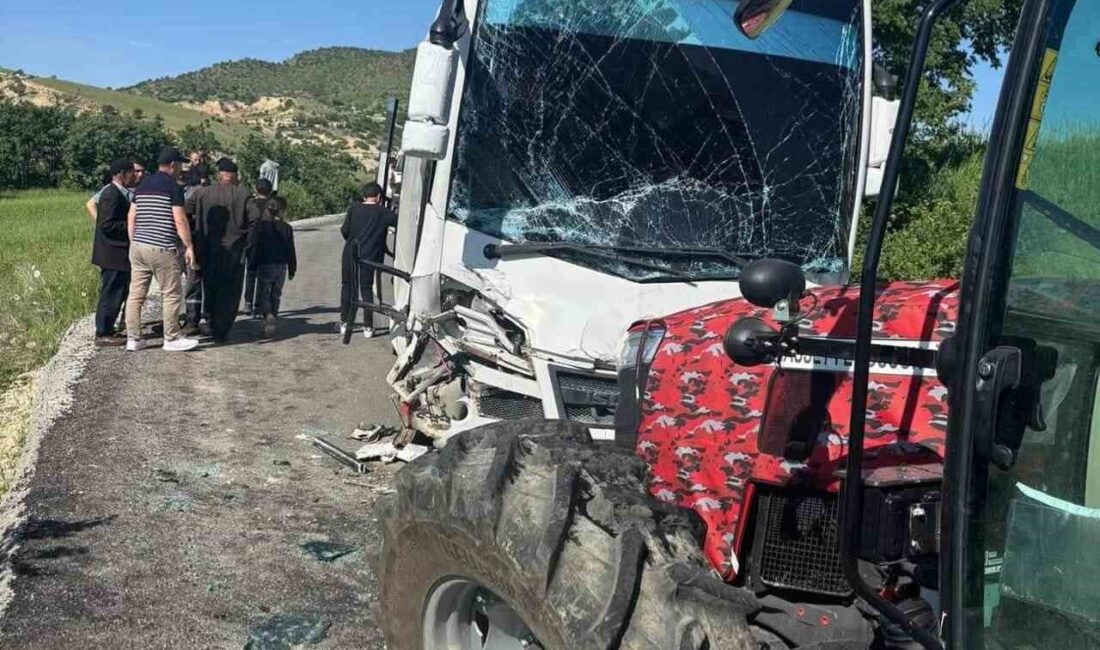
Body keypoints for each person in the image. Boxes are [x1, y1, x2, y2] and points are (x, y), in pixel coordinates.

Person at [125, 147, 200, 352]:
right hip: (161, 247)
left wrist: (134, 241)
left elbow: (132, 216)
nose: (181, 169)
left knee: (136, 294)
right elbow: (180, 220)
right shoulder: (173, 187)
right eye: (180, 165)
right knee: (171, 293)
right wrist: (189, 246)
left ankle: (133, 339)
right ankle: (172, 338)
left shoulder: (142, 185)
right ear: (173, 165)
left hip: (138, 247)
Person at [186, 157, 259, 342]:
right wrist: (248, 241)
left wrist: (193, 237)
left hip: (207, 249)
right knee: (230, 289)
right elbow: (255, 217)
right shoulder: (243, 194)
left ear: (220, 175)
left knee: (210, 286)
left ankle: (210, 321)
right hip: (234, 250)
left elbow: (184, 212)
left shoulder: (202, 193)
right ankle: (223, 327)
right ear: (234, 176)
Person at [340, 182, 397, 339]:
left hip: (350, 254)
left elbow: (345, 231)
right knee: (366, 289)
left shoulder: (354, 209)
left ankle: (344, 323)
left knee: (347, 287)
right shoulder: (384, 212)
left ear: (364, 196)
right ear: (378, 196)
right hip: (370, 257)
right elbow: (399, 222)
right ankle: (368, 327)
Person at [91, 159, 136, 347]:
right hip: (112, 254)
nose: (135, 176)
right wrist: (132, 225)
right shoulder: (111, 194)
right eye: (132, 172)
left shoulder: (119, 193)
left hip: (117, 254)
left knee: (119, 292)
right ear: (122, 174)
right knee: (111, 293)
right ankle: (103, 332)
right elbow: (107, 225)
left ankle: (109, 328)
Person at [248, 197, 296, 338]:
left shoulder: (261, 227)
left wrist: (252, 264)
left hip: (265, 264)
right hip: (281, 266)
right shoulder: (287, 228)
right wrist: (292, 268)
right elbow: (291, 250)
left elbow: (255, 247)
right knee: (276, 294)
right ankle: (273, 318)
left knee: (263, 293)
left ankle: (267, 315)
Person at [243, 178, 274, 317]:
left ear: (256, 189)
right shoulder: (272, 205)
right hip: (268, 244)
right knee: (263, 275)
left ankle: (248, 302)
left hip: (252, 242)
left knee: (250, 272)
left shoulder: (251, 203)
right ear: (270, 191)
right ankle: (258, 305)